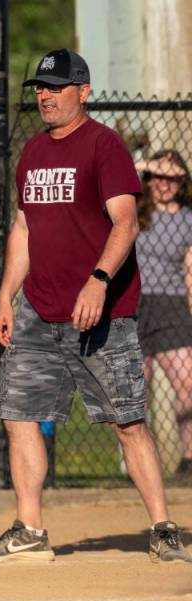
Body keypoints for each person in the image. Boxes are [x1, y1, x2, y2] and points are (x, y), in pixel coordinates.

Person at [0, 49, 192, 564]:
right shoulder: (32, 152)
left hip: (101, 315)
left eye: (55, 86)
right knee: (20, 415)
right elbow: (24, 227)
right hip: (38, 312)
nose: (44, 95)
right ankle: (29, 529)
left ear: (83, 91)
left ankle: (162, 528)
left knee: (127, 422)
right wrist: (7, 295)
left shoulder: (104, 146)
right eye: (39, 88)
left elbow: (125, 222)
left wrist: (98, 280)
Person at [134, 150, 192, 482]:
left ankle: (188, 459)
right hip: (134, 304)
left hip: (172, 304)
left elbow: (190, 269)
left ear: (182, 180)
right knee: (138, 389)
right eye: (158, 176)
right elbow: (111, 169)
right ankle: (139, 465)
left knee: (187, 383)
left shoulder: (187, 218)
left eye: (171, 177)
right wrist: (149, 166)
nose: (163, 183)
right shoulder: (136, 207)